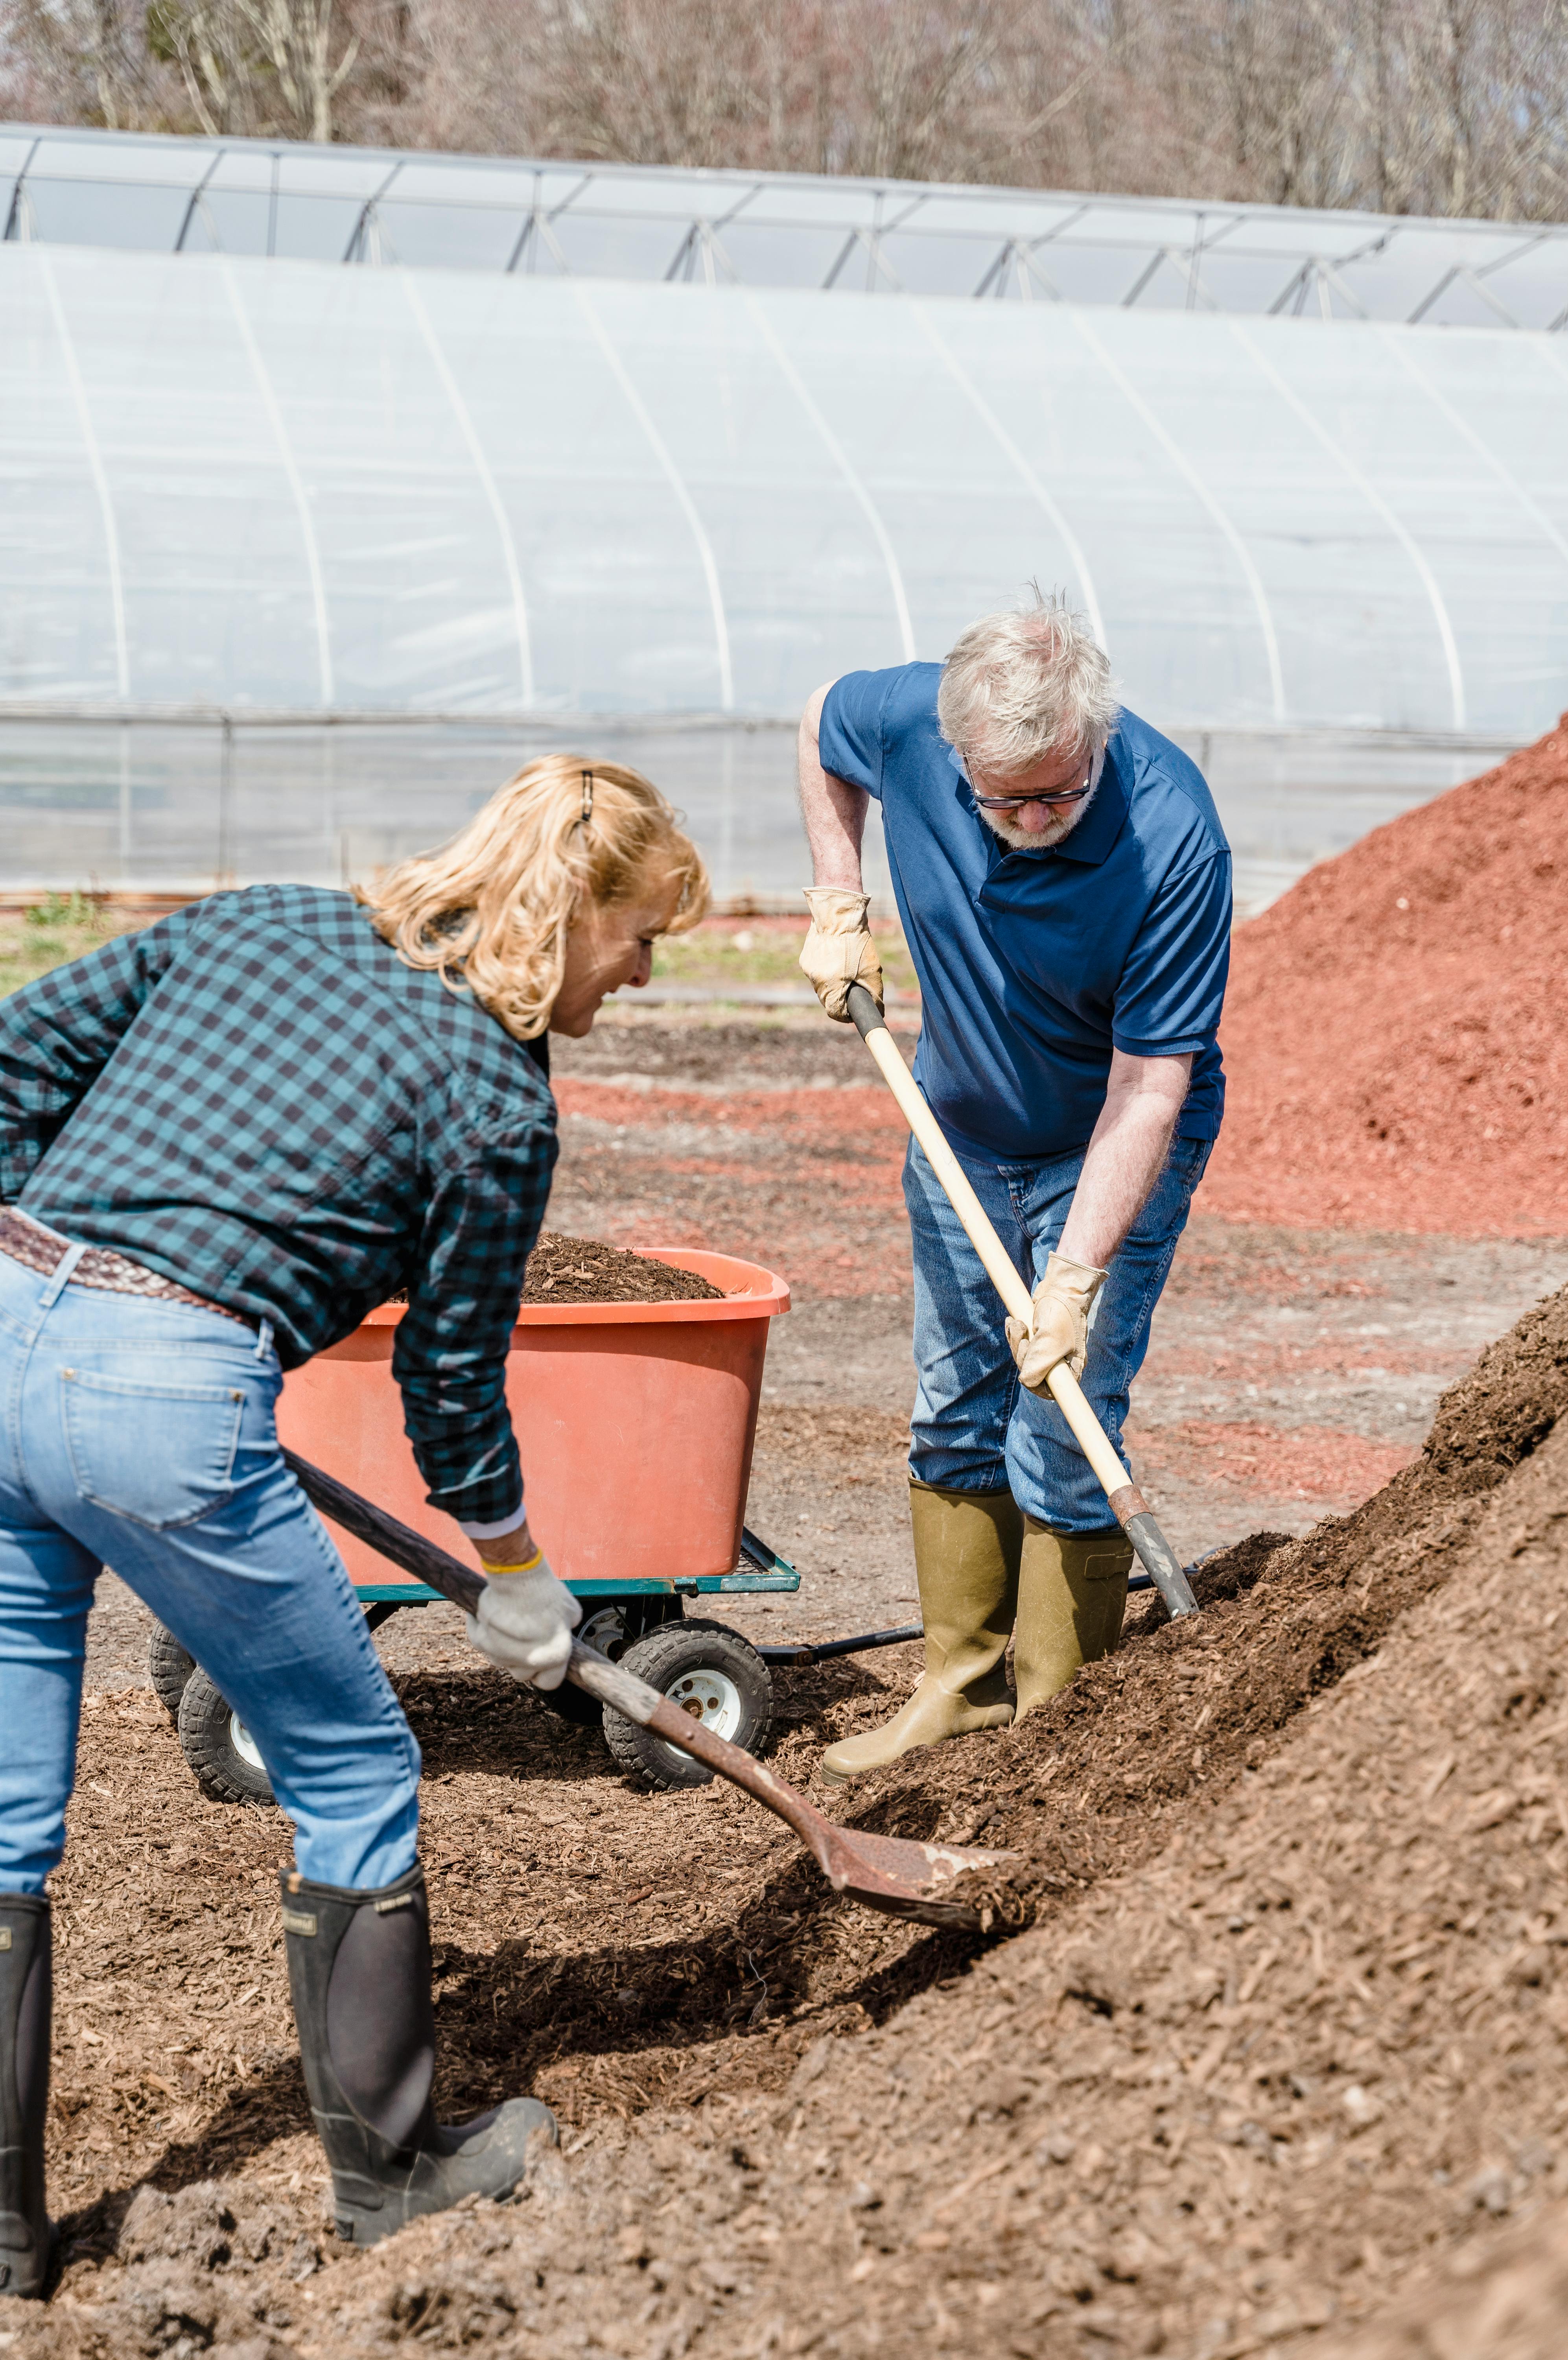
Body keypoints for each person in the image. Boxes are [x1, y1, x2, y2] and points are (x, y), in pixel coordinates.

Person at [0, 758, 708, 2294]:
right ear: (577, 909)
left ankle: (1, 2236)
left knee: (3, 1819)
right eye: (642, 936)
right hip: (169, 1396)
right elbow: (451, 1389)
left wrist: (37, 1273)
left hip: (5, 1335)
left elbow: (13, 1059)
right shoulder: (496, 1096)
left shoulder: (268, 923)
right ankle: (395, 2177)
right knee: (356, 1764)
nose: (645, 973)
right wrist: (521, 1580)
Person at [797, 597, 1230, 1784]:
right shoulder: (905, 720)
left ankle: (1056, 1729)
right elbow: (820, 727)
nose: (1033, 819)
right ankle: (960, 1687)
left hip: (1108, 1139)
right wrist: (839, 891)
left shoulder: (1172, 832)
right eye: (1005, 800)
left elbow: (1149, 1086)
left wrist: (1077, 1276)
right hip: (961, 1130)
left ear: (1097, 743)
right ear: (955, 757)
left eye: (1060, 794)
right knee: (954, 1402)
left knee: (1061, 1424)